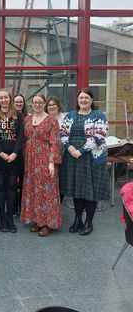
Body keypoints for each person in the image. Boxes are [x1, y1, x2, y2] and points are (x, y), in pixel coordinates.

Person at [60, 88, 109, 236]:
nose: (83, 100)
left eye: (86, 98)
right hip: (72, 156)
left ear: (92, 100)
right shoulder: (70, 115)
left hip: (91, 157)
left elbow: (100, 136)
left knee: (90, 191)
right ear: (78, 100)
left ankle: (89, 222)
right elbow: (62, 132)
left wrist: (81, 151)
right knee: (76, 190)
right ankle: (77, 220)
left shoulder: (99, 116)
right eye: (81, 98)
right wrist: (69, 147)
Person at [20, 93, 62, 237]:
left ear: (44, 103)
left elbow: (55, 142)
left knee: (47, 191)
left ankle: (47, 223)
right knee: (33, 190)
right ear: (32, 104)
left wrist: (51, 162)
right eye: (35, 102)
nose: (37, 104)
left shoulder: (51, 121)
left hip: (45, 160)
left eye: (40, 102)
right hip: (30, 160)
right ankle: (37, 220)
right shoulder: (27, 119)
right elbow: (24, 140)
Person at [0, 89, 24, 233]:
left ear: (10, 98)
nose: (3, 100)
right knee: (0, 188)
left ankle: (10, 219)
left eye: (5, 97)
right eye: (0, 98)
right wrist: (1, 153)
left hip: (14, 158)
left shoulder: (18, 114)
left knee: (11, 188)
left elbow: (21, 134)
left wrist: (15, 153)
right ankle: (2, 219)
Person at [13, 93, 28, 216]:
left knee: (24, 182)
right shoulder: (10, 117)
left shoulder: (28, 118)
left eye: (20, 102)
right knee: (13, 182)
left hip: (26, 153)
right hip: (12, 153)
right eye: (16, 101)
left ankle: (23, 208)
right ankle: (13, 207)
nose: (18, 104)